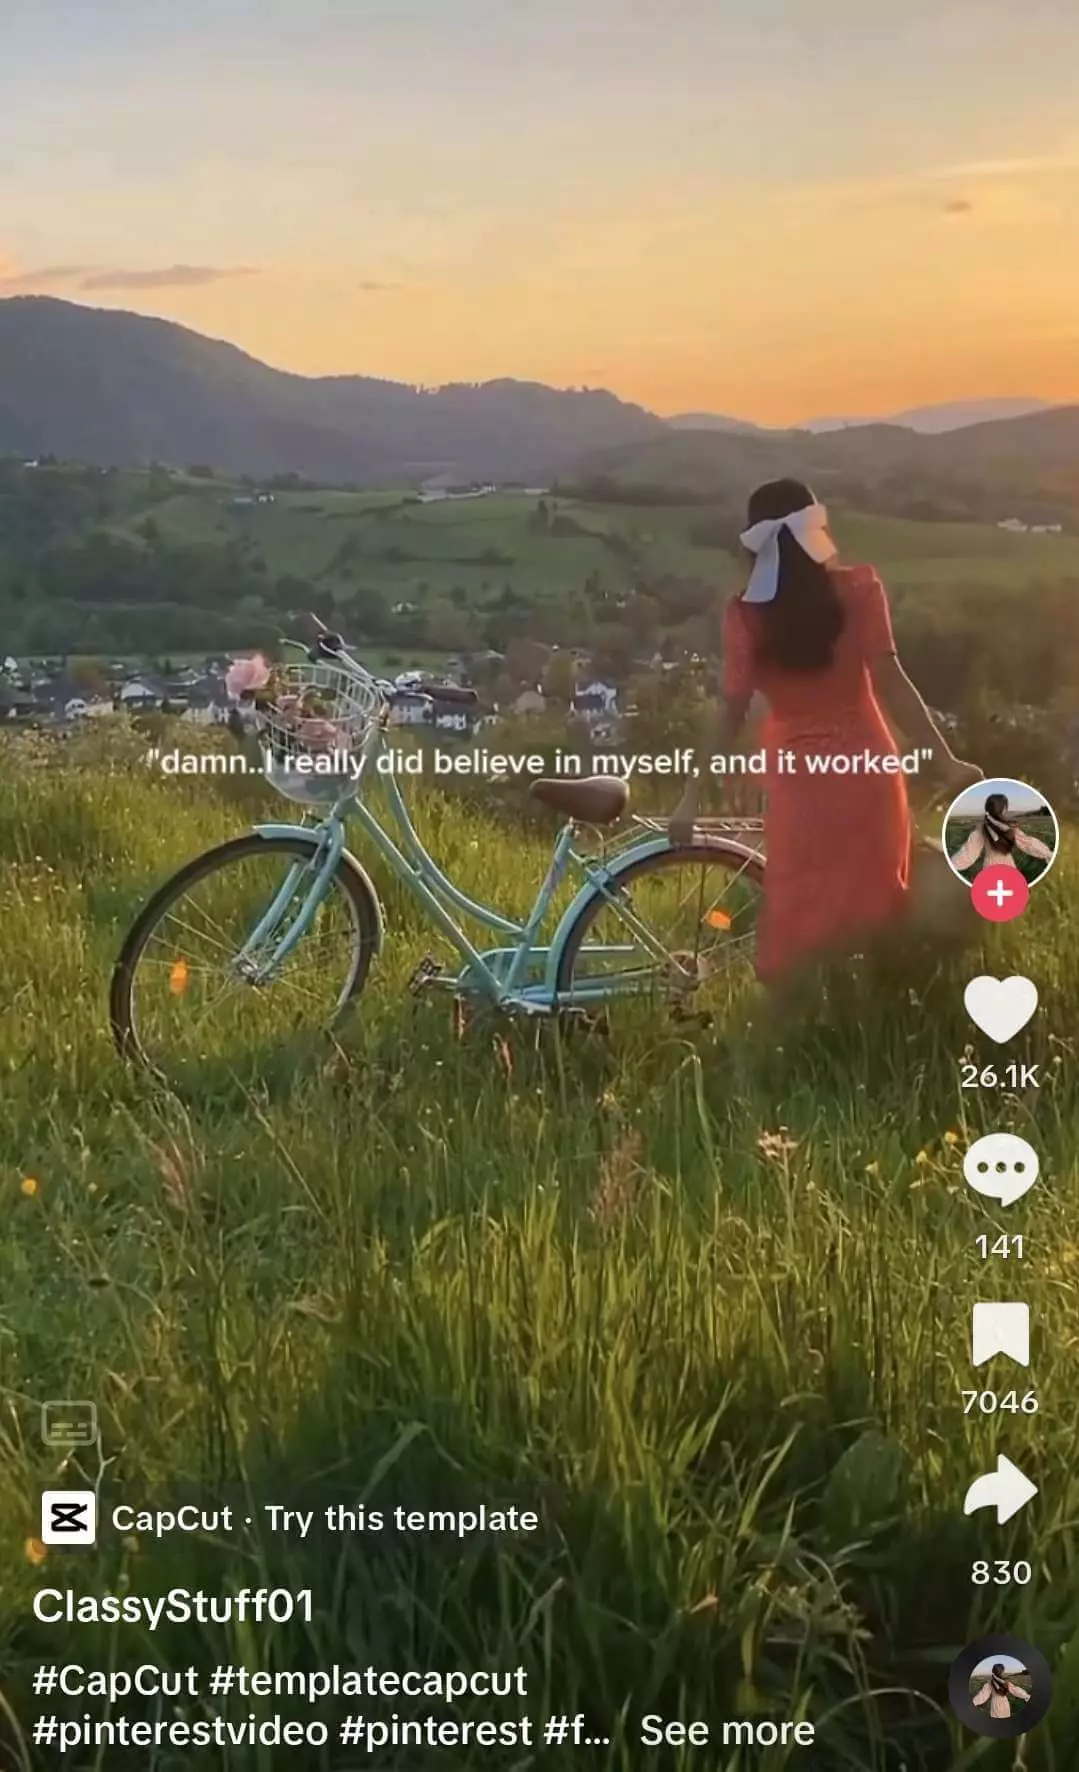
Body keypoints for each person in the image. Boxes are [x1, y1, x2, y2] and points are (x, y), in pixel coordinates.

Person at [669, 478, 981, 988]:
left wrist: (691, 796)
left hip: (801, 785)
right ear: (817, 530)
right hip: (869, 773)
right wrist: (946, 760)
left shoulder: (746, 616)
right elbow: (892, 682)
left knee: (800, 912)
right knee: (876, 906)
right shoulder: (860, 590)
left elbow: (729, 713)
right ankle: (869, 1022)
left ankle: (800, 1028)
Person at [949, 790, 1053, 876]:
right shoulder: (1010, 828)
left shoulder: (982, 828)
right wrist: (1047, 854)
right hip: (1008, 866)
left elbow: (968, 853)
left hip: (989, 867)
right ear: (1003, 809)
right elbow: (1029, 844)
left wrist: (952, 865)